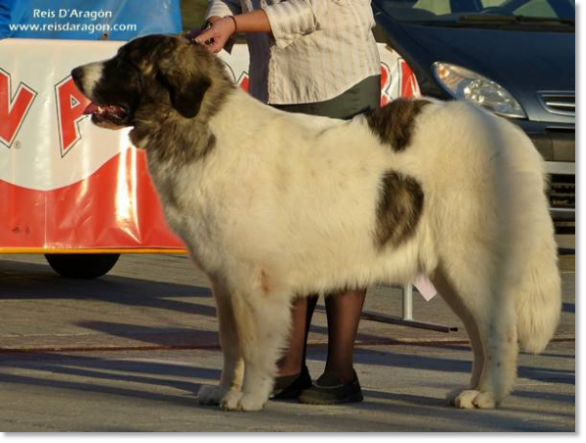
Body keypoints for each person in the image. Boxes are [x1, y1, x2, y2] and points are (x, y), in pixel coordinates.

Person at [191, 0, 381, 405]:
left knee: (341, 229)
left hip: (336, 84)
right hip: (275, 86)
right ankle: (288, 367)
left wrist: (234, 23)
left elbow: (310, 9)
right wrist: (216, 18)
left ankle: (341, 372)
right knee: (285, 232)